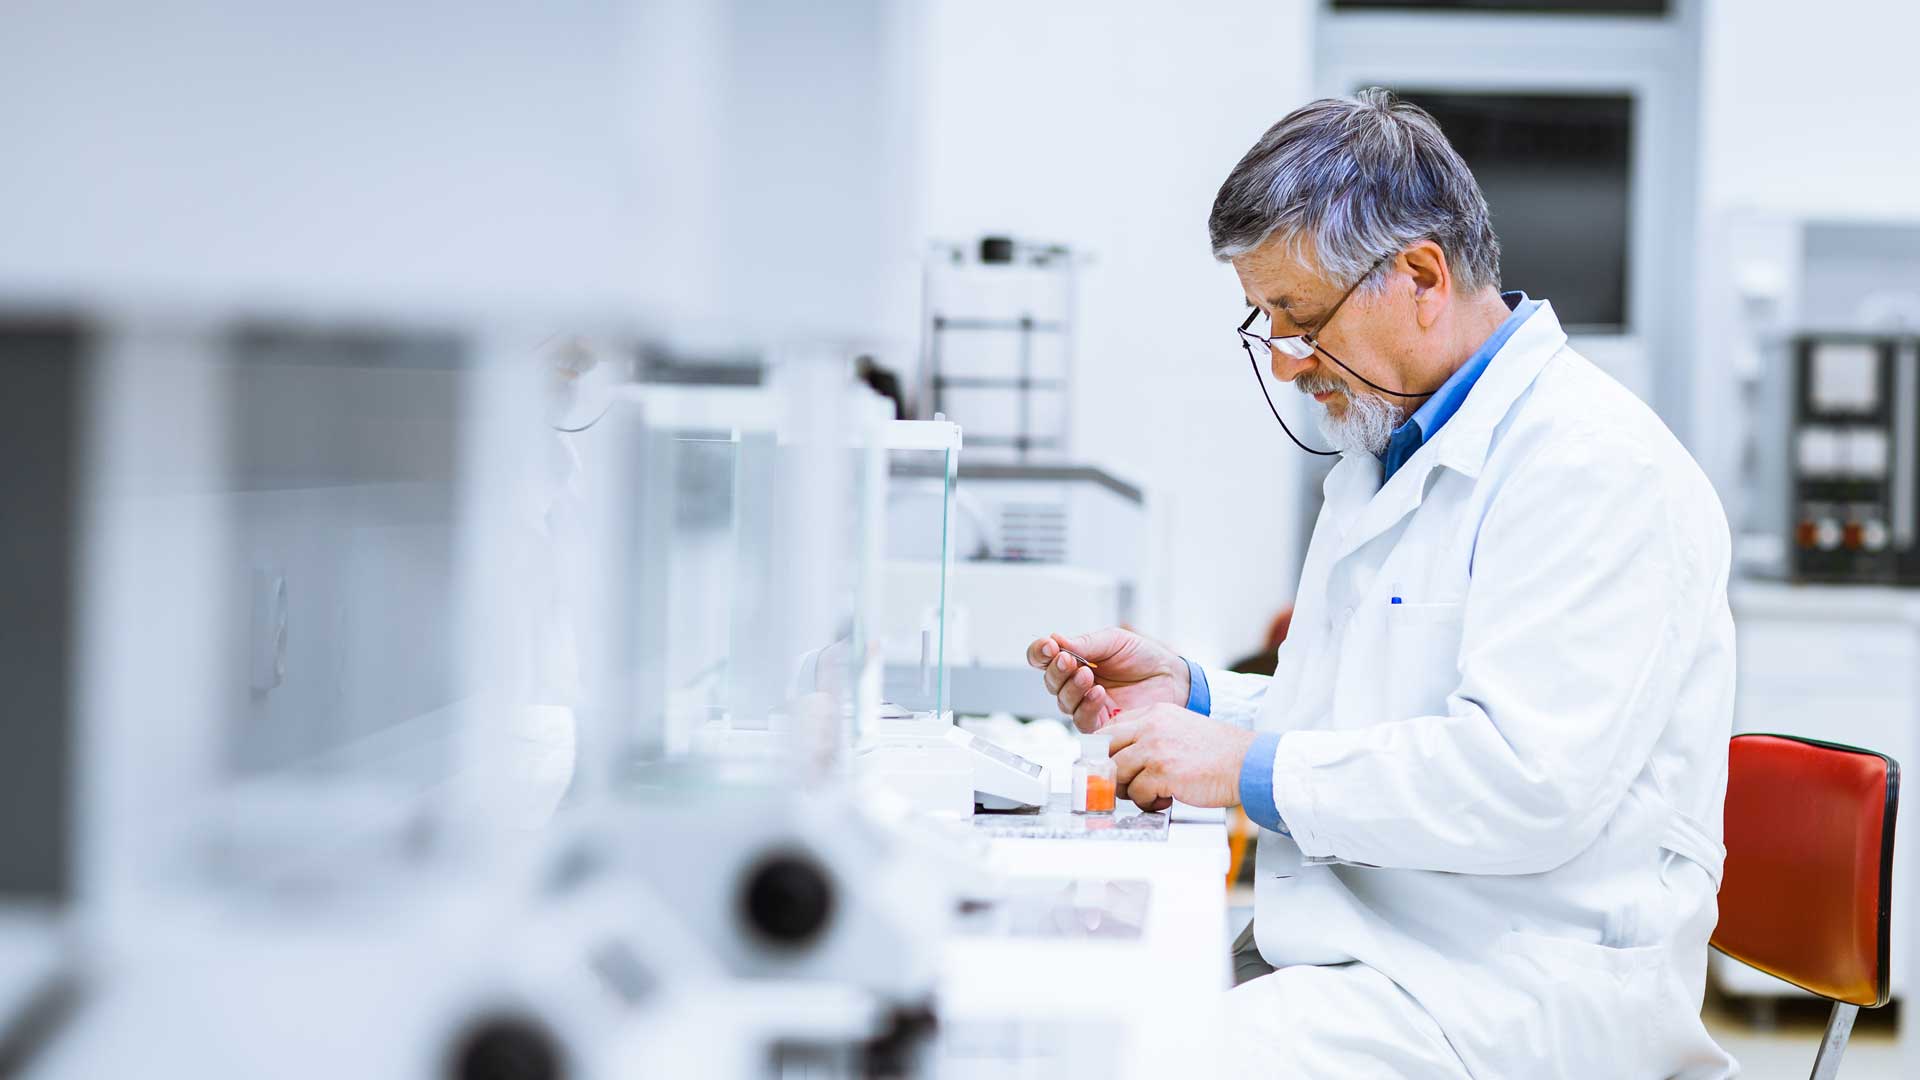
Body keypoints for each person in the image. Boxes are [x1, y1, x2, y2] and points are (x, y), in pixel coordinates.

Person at [1026, 88, 1735, 1078]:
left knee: (1131, 1056)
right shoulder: (1381, 460)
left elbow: (1525, 784)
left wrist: (1239, 766)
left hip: (1508, 995)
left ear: (1420, 274)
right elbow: (1365, 715)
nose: (1286, 362)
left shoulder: (1593, 467)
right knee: (1078, 1004)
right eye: (1265, 321)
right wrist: (1194, 696)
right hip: (1379, 954)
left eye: (1301, 317)